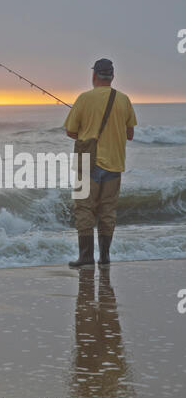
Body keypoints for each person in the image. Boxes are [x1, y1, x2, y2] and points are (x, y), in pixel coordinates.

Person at [64, 58, 137, 267]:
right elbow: (130, 134)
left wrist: (88, 130)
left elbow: (71, 131)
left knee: (84, 208)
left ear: (94, 75)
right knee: (108, 211)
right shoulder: (123, 99)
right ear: (112, 77)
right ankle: (105, 257)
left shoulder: (84, 98)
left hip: (87, 163)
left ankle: (86, 257)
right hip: (115, 163)